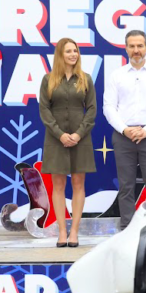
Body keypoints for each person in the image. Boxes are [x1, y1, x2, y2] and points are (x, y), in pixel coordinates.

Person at [103, 29, 146, 229]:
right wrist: (125, 129)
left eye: (140, 46)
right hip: (122, 136)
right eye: (132, 46)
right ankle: (127, 227)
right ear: (126, 48)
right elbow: (108, 107)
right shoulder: (116, 76)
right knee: (126, 185)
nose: (136, 50)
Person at [38, 38, 96, 247]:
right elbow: (44, 109)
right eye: (69, 51)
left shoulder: (85, 79)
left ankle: (74, 233)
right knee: (58, 185)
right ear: (60, 55)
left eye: (75, 51)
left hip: (81, 138)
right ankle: (62, 232)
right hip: (56, 140)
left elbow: (92, 109)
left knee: (78, 184)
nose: (73, 54)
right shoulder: (48, 79)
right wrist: (60, 134)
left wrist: (79, 134)